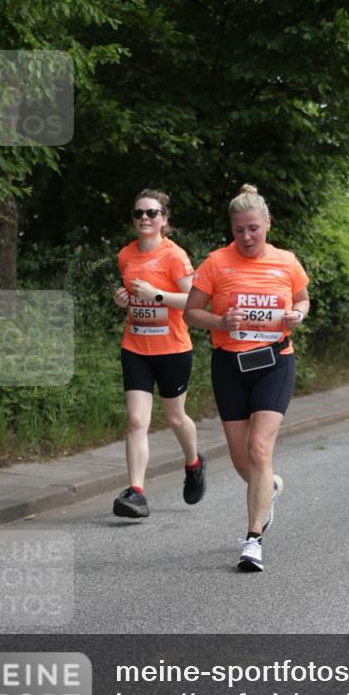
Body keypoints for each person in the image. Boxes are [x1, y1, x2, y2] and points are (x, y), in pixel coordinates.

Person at [184, 184, 310, 572]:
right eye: (239, 230)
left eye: (253, 228)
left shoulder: (286, 261)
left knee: (259, 450)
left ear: (267, 224)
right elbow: (190, 313)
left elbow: (302, 298)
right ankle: (267, 487)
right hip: (230, 366)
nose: (247, 237)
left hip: (275, 362)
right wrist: (220, 321)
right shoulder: (216, 263)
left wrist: (298, 315)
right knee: (243, 461)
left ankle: (253, 540)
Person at [112, 189, 206, 518]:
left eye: (151, 213)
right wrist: (122, 299)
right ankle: (136, 492)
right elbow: (129, 295)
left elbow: (195, 301)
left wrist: (156, 296)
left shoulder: (175, 256)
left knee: (175, 417)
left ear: (164, 219)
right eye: (138, 213)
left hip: (172, 349)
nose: (144, 219)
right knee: (137, 420)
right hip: (135, 347)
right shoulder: (125, 255)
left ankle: (194, 463)